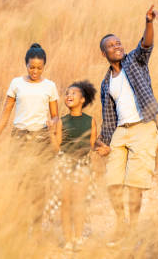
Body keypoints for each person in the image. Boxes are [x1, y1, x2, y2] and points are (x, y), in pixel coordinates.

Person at [96, 5, 158, 247]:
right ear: (104, 53)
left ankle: (132, 229)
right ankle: (120, 223)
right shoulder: (105, 83)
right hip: (120, 133)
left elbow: (146, 44)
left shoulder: (135, 61)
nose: (117, 46)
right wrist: (101, 140)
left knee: (135, 184)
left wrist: (149, 22)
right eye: (111, 45)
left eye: (119, 43)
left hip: (143, 127)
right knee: (112, 181)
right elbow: (109, 116)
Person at [0, 43, 59, 237]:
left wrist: (53, 125)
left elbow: (55, 115)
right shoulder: (16, 84)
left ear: (44, 67)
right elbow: (6, 114)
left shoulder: (49, 86)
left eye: (39, 68)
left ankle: (36, 228)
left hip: (41, 138)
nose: (35, 71)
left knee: (38, 185)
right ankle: (18, 227)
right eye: (31, 67)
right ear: (26, 65)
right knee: (19, 183)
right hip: (19, 138)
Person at [47, 80, 100, 252]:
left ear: (83, 99)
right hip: (64, 163)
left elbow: (92, 145)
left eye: (73, 93)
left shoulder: (90, 121)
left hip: (83, 164)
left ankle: (78, 238)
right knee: (66, 202)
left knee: (79, 202)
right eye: (67, 93)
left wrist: (102, 148)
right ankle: (68, 240)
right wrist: (51, 132)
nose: (69, 95)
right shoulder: (61, 121)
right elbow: (57, 148)